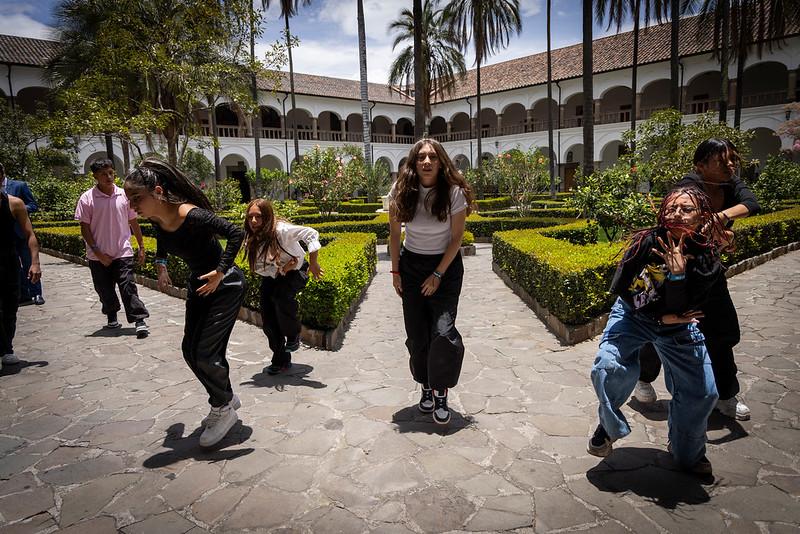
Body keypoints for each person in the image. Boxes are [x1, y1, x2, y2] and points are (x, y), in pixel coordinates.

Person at [588, 186, 728, 475]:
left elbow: (688, 307)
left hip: (679, 328)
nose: (677, 213)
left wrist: (677, 276)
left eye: (686, 209)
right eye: (672, 207)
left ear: (702, 217)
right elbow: (623, 290)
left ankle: (688, 451)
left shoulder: (706, 259)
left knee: (702, 392)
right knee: (608, 366)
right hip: (633, 315)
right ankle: (609, 425)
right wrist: (663, 318)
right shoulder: (646, 243)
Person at [633, 138, 759, 421]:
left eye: (733, 159)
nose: (731, 165)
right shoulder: (687, 187)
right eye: (722, 160)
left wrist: (719, 220)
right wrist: (721, 235)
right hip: (672, 268)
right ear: (701, 166)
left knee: (721, 332)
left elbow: (751, 203)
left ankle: (726, 395)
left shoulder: (729, 184)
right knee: (661, 325)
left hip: (707, 271)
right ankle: (643, 379)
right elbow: (674, 225)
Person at [124, 158, 246, 448]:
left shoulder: (191, 214)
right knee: (190, 350)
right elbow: (165, 238)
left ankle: (223, 406)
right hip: (199, 286)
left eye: (135, 198)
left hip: (225, 286)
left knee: (205, 352)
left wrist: (220, 271)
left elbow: (235, 233)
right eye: (128, 199)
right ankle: (225, 398)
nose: (132, 206)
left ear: (157, 191)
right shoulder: (159, 218)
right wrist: (161, 263)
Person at [388, 138, 474, 425]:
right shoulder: (401, 191)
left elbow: (456, 238)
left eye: (432, 157)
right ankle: (426, 386)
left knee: (443, 332)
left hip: (446, 268)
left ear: (441, 162)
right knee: (417, 334)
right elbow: (395, 236)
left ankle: (441, 392)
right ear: (414, 162)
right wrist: (396, 273)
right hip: (411, 266)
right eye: (421, 157)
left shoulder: (453, 193)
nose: (426, 162)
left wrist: (438, 274)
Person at [243, 198, 324, 375]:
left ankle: (293, 334)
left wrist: (314, 262)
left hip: (296, 270)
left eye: (259, 217)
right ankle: (280, 360)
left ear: (268, 216)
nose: (254, 221)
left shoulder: (281, 230)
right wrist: (280, 268)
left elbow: (311, 233)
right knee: (268, 319)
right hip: (273, 275)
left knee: (281, 297)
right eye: (250, 217)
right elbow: (260, 268)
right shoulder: (251, 238)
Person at [75, 158, 150, 338]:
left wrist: (140, 245)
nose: (109, 177)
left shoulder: (124, 195)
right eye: (103, 174)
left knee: (127, 286)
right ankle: (112, 316)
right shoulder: (87, 199)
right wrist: (98, 253)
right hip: (97, 256)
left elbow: (133, 221)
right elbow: (84, 228)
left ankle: (139, 319)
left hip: (122, 251)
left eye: (111, 173)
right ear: (95, 176)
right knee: (104, 289)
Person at [1, 189, 42, 370]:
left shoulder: (14, 203)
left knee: (10, 307)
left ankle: (7, 348)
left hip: (8, 262)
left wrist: (35, 263)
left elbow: (29, 234)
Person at [0, 163, 44, 307]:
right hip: (6, 236)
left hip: (20, 232)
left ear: (3, 174)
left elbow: (33, 205)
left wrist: (18, 210)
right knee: (15, 268)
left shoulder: (18, 187)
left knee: (28, 263)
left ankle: (36, 293)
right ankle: (23, 295)